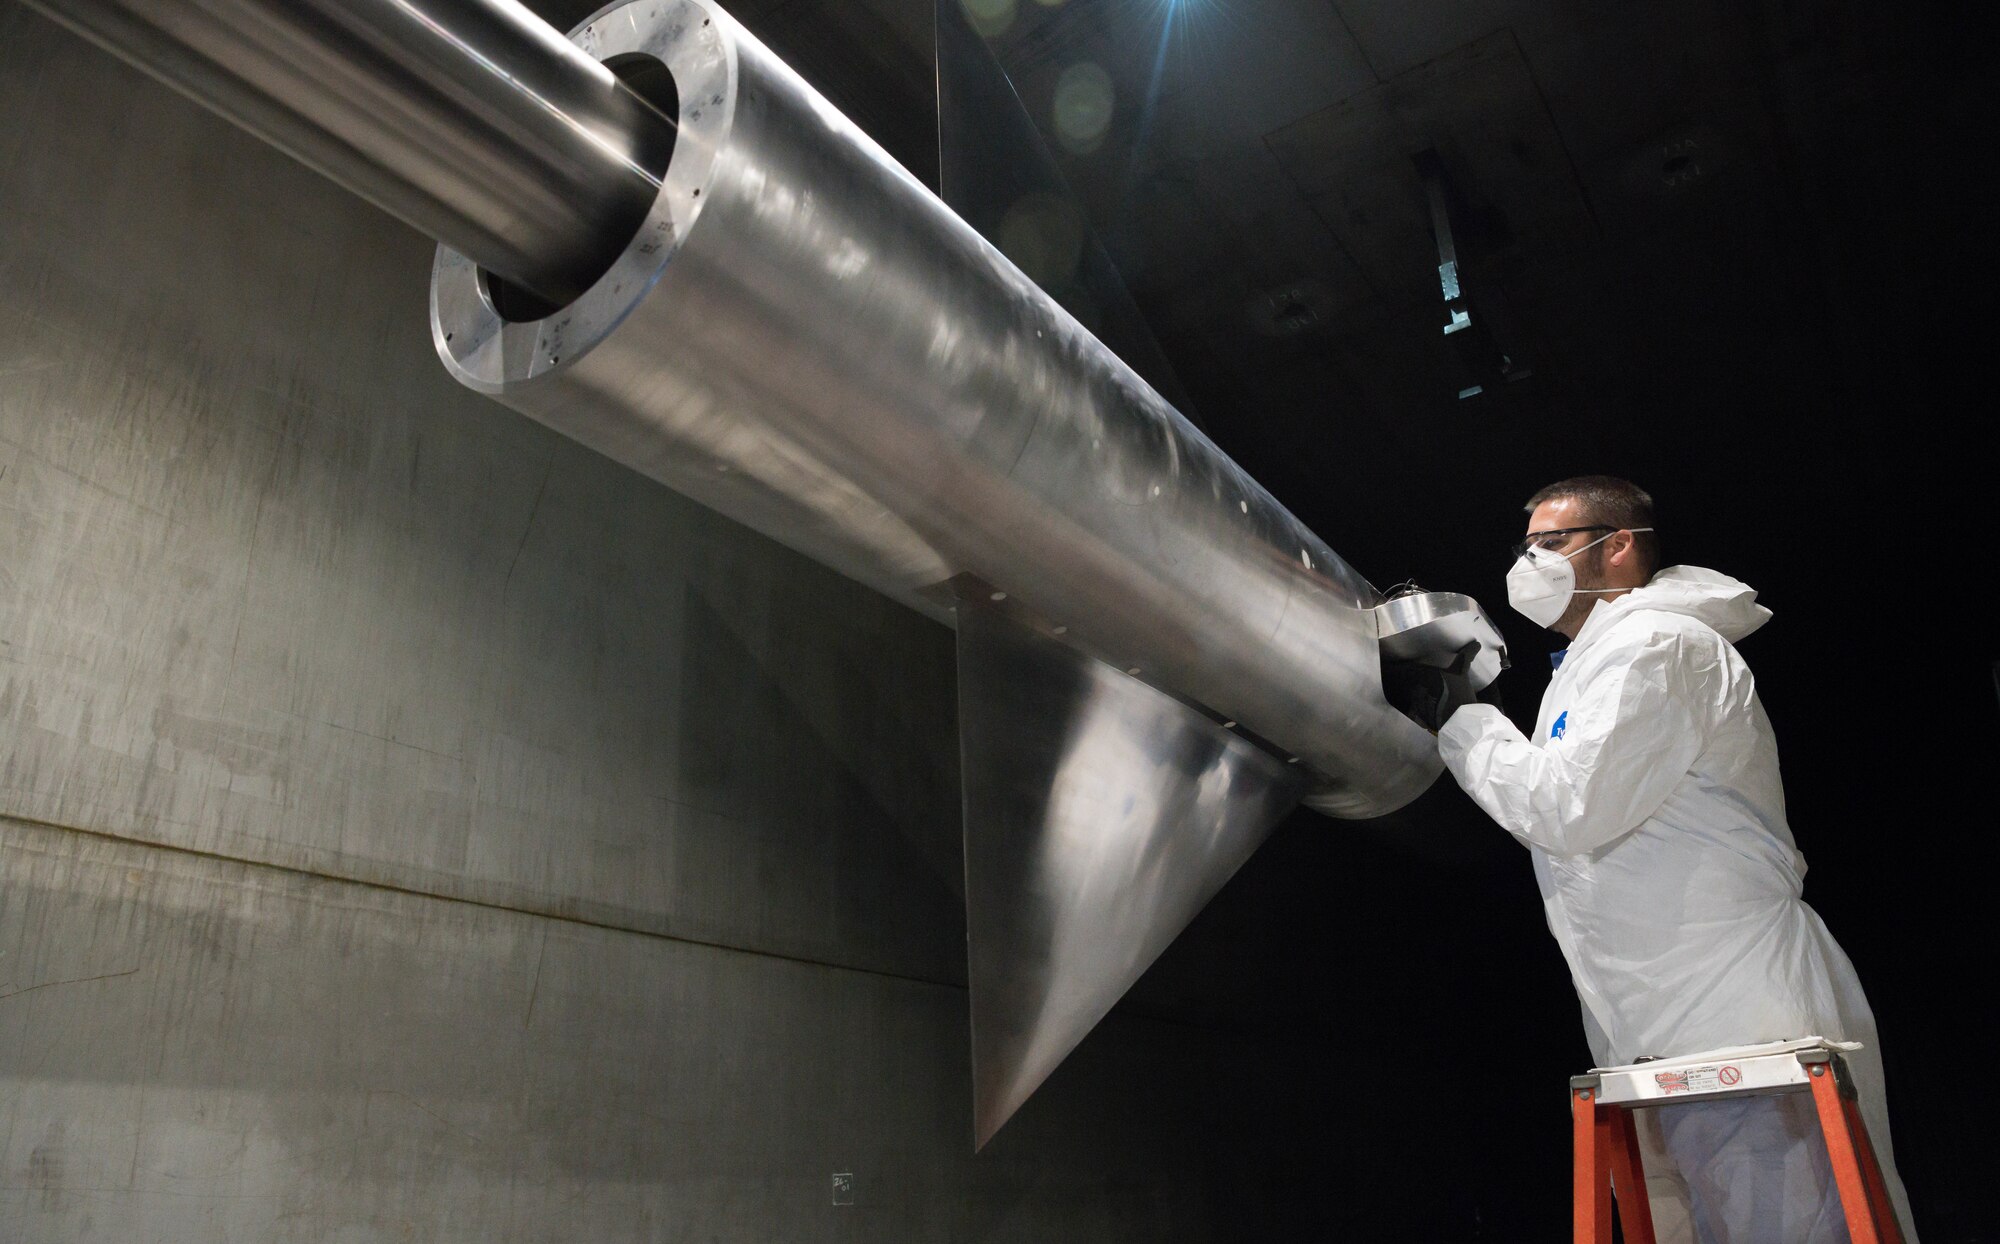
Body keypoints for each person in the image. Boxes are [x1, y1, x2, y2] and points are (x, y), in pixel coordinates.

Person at [1430, 475, 1917, 1243]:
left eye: (1549, 544)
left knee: (1789, 1220)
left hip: (1734, 1007)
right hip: (1661, 1009)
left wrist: (1460, 721)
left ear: (1617, 545)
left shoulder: (1657, 646)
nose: (1529, 565)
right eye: (1524, 548)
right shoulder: (1594, 663)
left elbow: (1566, 807)